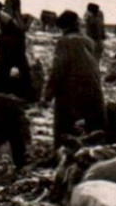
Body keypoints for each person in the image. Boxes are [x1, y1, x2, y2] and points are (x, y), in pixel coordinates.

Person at [45, 10, 108, 147]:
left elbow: (58, 70)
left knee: (68, 132)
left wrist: (47, 95)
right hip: (92, 90)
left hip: (71, 92)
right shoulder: (88, 41)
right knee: (90, 131)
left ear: (63, 27)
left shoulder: (64, 42)